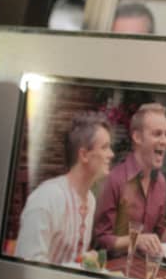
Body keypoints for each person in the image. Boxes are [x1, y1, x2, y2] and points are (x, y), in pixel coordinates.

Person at [93, 103, 166, 256]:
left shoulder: (161, 182)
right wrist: (135, 240)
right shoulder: (113, 180)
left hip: (143, 266)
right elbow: (100, 240)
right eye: (157, 134)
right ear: (137, 137)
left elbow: (158, 234)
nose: (164, 141)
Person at [15, 111, 114, 264]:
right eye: (105, 147)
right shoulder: (46, 199)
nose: (111, 154)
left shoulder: (90, 200)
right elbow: (27, 265)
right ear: (84, 155)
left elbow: (73, 261)